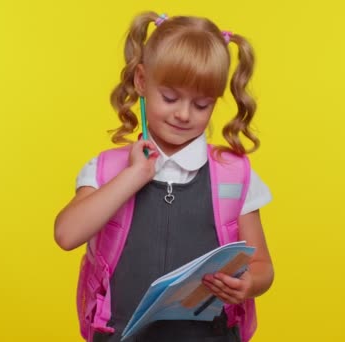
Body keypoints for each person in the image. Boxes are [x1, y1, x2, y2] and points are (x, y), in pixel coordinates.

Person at [54, 11, 274, 342]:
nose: (184, 114)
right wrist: (134, 176)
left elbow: (263, 267)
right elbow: (66, 235)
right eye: (170, 98)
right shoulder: (107, 169)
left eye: (201, 105)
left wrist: (248, 285)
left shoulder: (233, 175)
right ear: (142, 81)